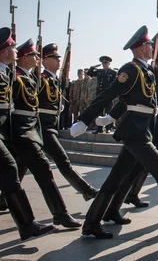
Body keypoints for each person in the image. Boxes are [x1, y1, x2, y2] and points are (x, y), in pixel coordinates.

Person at [70, 26, 158, 239]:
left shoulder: (146, 70)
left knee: (115, 178)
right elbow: (110, 95)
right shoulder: (131, 69)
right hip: (135, 131)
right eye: (148, 45)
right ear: (140, 48)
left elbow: (139, 99)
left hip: (144, 129)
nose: (152, 47)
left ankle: (91, 223)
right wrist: (85, 119)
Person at [7, 38, 81, 228]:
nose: (37, 58)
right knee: (42, 169)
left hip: (32, 129)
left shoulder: (31, 79)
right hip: (20, 131)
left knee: (15, 171)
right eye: (33, 55)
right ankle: (60, 214)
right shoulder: (14, 77)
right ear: (23, 58)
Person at [0, 27, 55, 241]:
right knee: (10, 168)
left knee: (9, 169)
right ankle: (27, 224)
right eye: (13, 47)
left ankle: (27, 225)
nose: (16, 50)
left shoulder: (5, 74)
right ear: (5, 51)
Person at [37, 43, 98, 201]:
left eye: (58, 57)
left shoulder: (55, 80)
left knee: (20, 164)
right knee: (63, 160)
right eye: (54, 57)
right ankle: (87, 190)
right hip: (41, 127)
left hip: (49, 126)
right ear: (44, 61)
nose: (59, 60)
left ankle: (4, 199)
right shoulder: (41, 79)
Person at [87, 56, 117, 133]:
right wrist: (92, 67)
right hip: (100, 94)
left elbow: (115, 84)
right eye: (103, 63)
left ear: (109, 63)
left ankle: (108, 128)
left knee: (109, 112)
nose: (104, 64)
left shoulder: (113, 72)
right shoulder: (99, 71)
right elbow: (89, 73)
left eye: (106, 63)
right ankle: (99, 128)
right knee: (99, 112)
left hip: (108, 95)